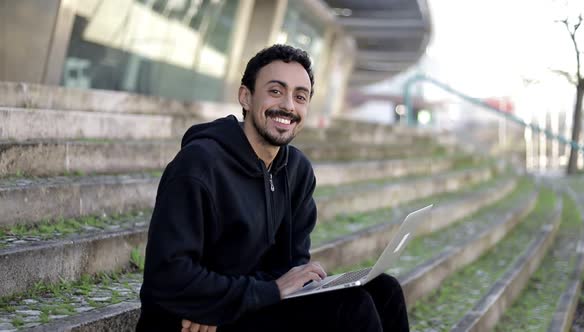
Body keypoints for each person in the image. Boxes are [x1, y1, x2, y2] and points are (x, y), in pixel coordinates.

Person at [136, 44, 410, 332]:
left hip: (243, 306)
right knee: (350, 309)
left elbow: (291, 265)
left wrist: (266, 291)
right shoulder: (199, 165)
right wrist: (222, 303)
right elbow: (167, 276)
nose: (289, 106)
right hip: (185, 321)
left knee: (385, 290)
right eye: (276, 91)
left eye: (300, 96)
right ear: (246, 97)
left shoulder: (297, 171)